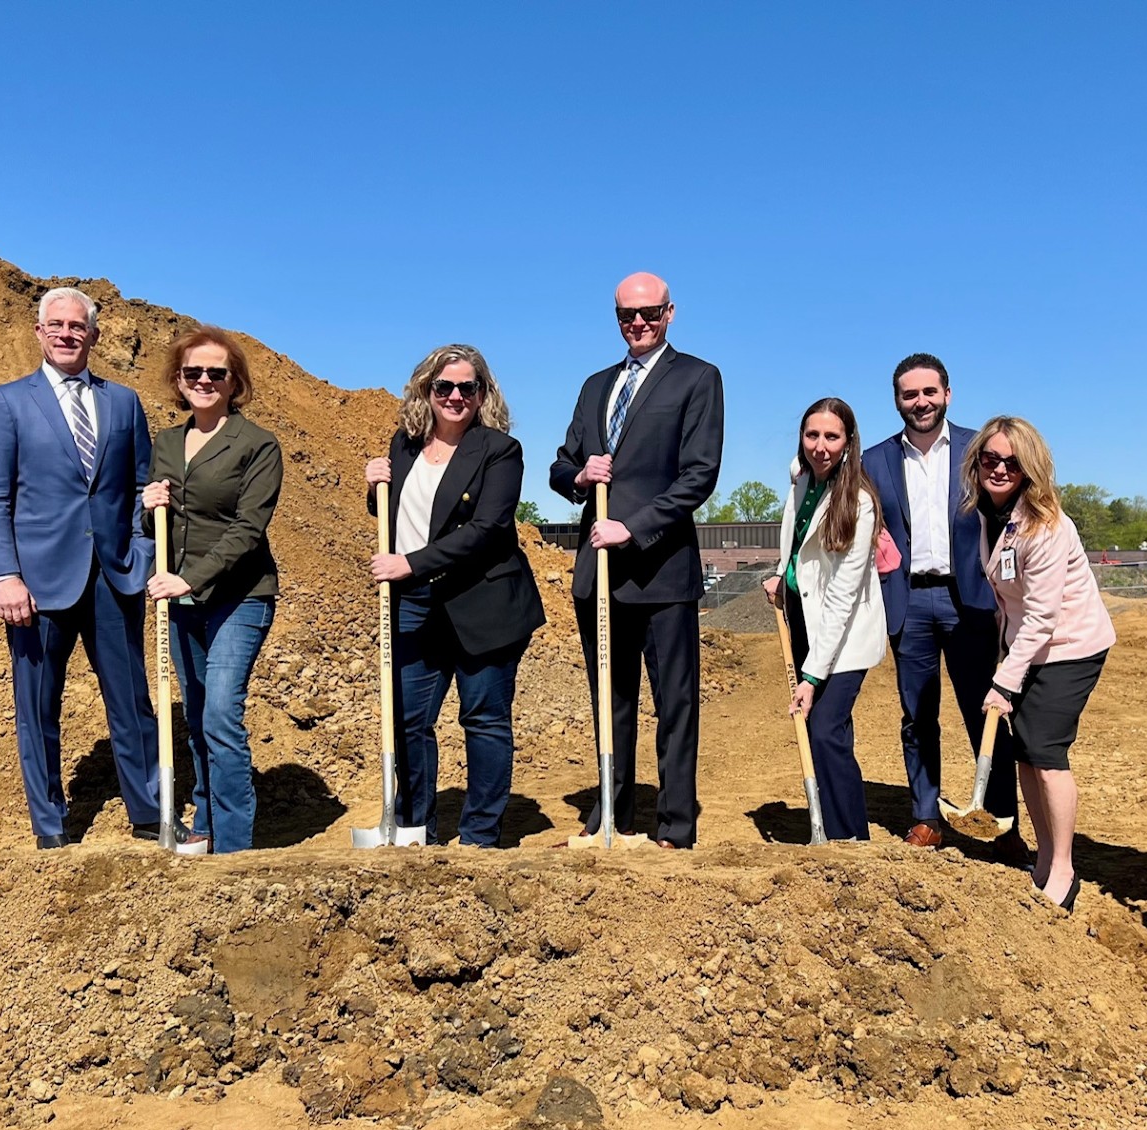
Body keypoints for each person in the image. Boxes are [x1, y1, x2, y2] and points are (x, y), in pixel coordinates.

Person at [0, 287, 161, 849]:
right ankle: (51, 828)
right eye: (55, 325)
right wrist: (4, 574)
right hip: (35, 583)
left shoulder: (124, 402)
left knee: (130, 700)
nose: (66, 334)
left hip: (113, 576)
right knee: (38, 707)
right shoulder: (6, 402)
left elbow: (138, 487)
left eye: (77, 326)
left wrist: (141, 551)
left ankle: (149, 812)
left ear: (94, 336)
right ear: (38, 331)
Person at [549, 272, 724, 849]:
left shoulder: (698, 378)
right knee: (611, 699)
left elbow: (699, 474)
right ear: (616, 318)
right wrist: (578, 476)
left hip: (662, 569)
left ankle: (675, 823)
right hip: (598, 574)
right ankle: (612, 811)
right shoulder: (596, 386)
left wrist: (635, 526)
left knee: (674, 703)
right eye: (627, 315)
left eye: (649, 312)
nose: (639, 323)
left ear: (670, 312)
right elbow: (561, 465)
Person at [366, 344, 545, 846]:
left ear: (482, 393)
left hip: (483, 603)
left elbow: (486, 529)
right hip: (416, 603)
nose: (455, 396)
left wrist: (410, 564)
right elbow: (400, 516)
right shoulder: (405, 444)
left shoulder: (499, 451)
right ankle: (412, 826)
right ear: (426, 389)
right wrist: (374, 485)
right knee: (408, 718)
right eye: (443, 387)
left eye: (468, 387)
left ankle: (480, 834)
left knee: (483, 718)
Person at [859, 354, 1023, 858]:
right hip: (909, 601)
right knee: (917, 715)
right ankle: (926, 816)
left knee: (987, 713)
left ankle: (1000, 821)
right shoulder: (873, 460)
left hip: (971, 600)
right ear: (897, 401)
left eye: (929, 392)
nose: (920, 402)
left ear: (947, 395)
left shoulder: (983, 450)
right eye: (910, 394)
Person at [142, 326, 282, 855]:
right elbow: (160, 522)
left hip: (240, 596)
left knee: (221, 712)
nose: (204, 380)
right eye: (192, 372)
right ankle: (203, 819)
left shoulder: (257, 444)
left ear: (233, 381)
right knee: (198, 715)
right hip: (179, 601)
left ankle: (235, 846)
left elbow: (249, 528)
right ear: (179, 380)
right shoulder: (167, 442)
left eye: (216, 373)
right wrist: (148, 501)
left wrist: (192, 576)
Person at [966, 417, 1116, 910]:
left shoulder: (1046, 524)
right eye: (991, 459)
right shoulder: (989, 516)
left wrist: (1003, 683)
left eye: (1013, 462)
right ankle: (1046, 857)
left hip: (1071, 646)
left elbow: (1044, 614)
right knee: (1026, 750)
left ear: (1030, 468)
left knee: (1046, 753)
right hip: (1029, 648)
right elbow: (1009, 602)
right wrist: (1007, 660)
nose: (1001, 469)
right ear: (978, 464)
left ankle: (1065, 870)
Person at [763, 399, 887, 841]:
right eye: (812, 435)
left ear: (848, 442)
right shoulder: (800, 480)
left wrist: (812, 677)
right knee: (827, 730)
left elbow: (842, 597)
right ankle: (836, 826)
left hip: (846, 632)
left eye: (831, 437)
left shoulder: (860, 502)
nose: (820, 446)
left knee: (825, 728)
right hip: (803, 619)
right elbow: (794, 538)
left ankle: (850, 834)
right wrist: (781, 573)